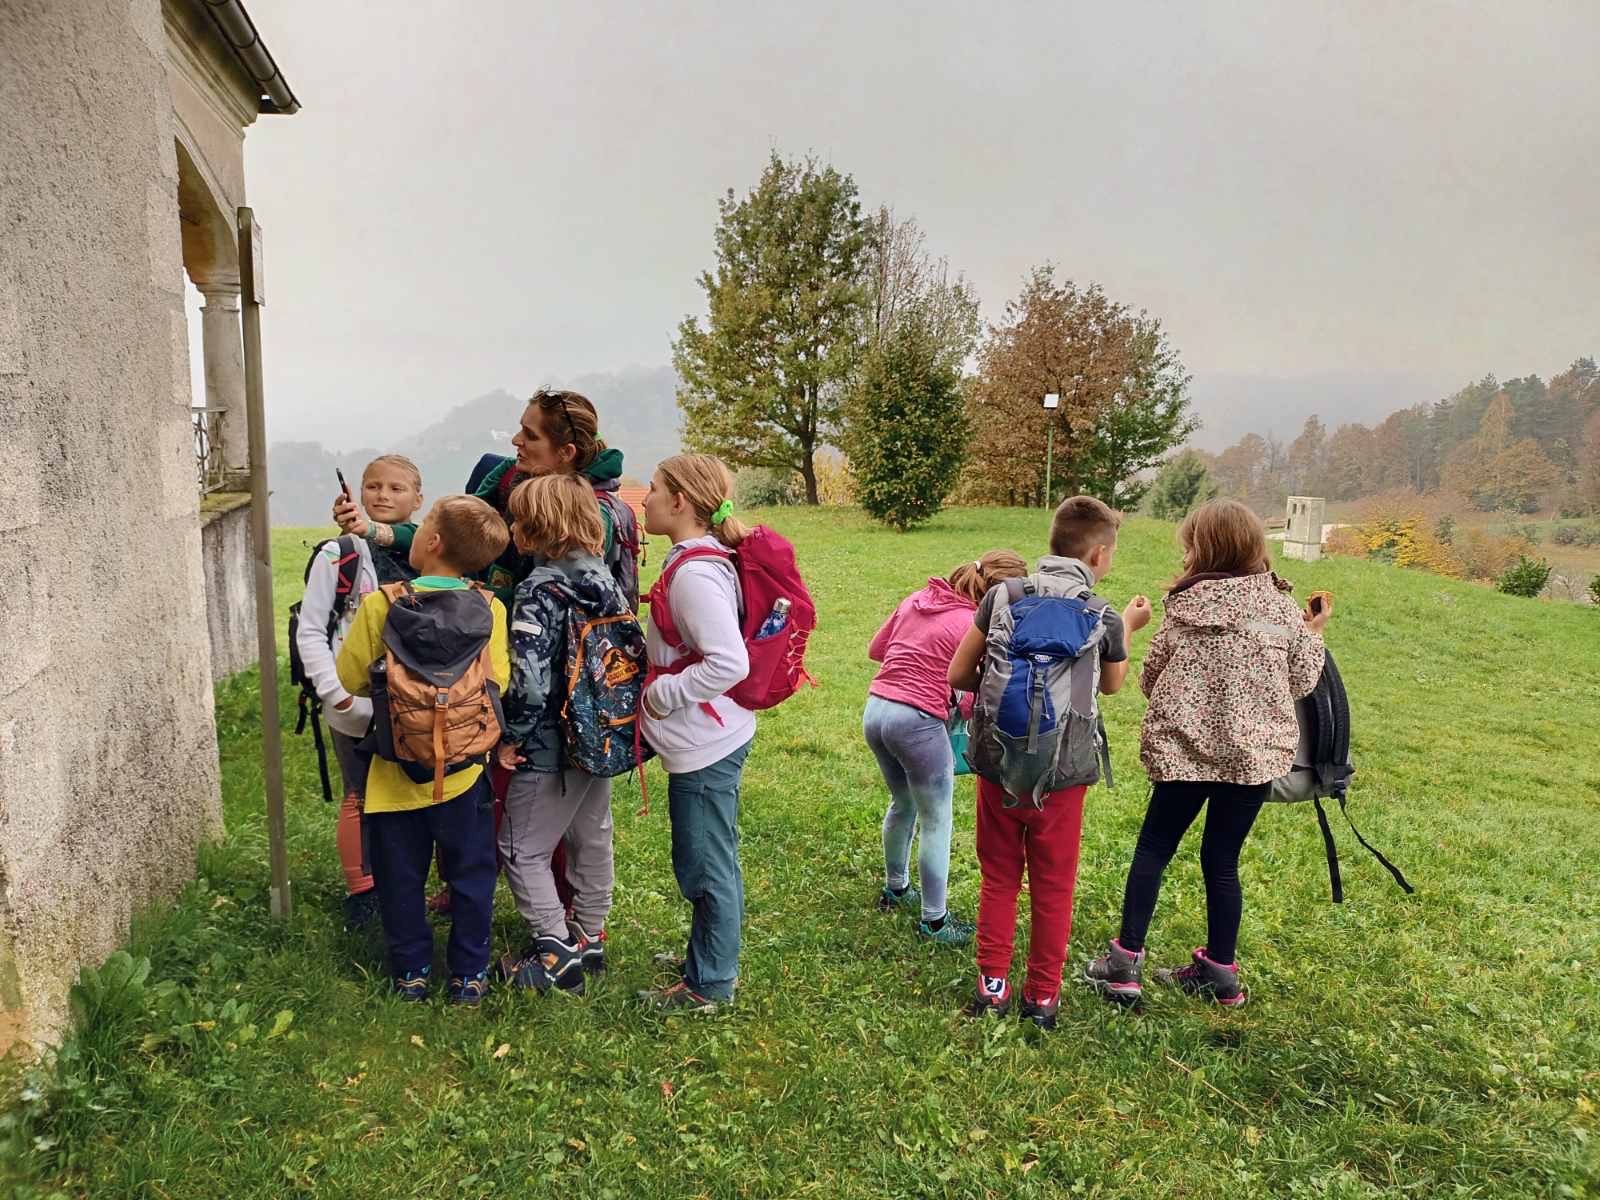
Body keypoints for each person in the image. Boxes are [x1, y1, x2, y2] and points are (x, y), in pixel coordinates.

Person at [1085, 498, 1328, 1008]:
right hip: (1251, 760)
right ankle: (1220, 973)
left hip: (1184, 753)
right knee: (1222, 861)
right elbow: (1303, 681)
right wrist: (1314, 632)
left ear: (1203, 548)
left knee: (1154, 848)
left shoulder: (1186, 607)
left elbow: (1151, 679)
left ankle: (1124, 966)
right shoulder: (1282, 611)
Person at [947, 496, 1152, 1030]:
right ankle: (1041, 997)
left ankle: (992, 987)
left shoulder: (1004, 595)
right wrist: (1128, 629)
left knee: (998, 878)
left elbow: (958, 674)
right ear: (1099, 554)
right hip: (1064, 774)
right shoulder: (1103, 613)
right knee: (1053, 885)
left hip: (998, 763)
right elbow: (1112, 684)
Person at [333, 495, 511, 1006]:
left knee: (399, 877)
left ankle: (412, 971)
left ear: (430, 541)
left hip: (394, 771)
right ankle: (469, 974)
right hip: (463, 771)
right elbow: (499, 682)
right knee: (472, 874)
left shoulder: (382, 604)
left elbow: (350, 678)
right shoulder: (491, 608)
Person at [494, 474, 632, 995]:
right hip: (601, 732)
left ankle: (555, 953)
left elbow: (530, 682)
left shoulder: (539, 588)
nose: (512, 527)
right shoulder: (602, 577)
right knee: (591, 834)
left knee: (520, 848)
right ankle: (589, 934)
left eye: (517, 519)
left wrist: (513, 735)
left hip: (551, 740)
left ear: (537, 527)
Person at [635, 454, 752, 1013]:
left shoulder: (696, 575)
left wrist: (661, 696)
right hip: (707, 738)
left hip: (706, 744)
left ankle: (710, 983)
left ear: (680, 501)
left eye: (654, 488)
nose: (646, 498)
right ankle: (706, 954)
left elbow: (730, 662)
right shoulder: (695, 561)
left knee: (705, 865)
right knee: (709, 855)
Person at [864, 551, 1028, 945]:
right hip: (917, 722)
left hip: (876, 710)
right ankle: (934, 921)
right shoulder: (972, 624)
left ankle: (896, 888)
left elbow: (876, 650)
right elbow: (978, 687)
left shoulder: (916, 600)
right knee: (936, 820)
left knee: (902, 803)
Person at [299, 454, 422, 930]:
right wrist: (337, 695)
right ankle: (363, 891)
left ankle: (403, 881)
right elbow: (312, 629)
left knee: (410, 792)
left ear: (418, 499)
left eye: (396, 488)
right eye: (373, 486)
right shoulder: (339, 554)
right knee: (360, 793)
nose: (382, 495)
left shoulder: (426, 549)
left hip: (414, 698)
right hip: (356, 699)